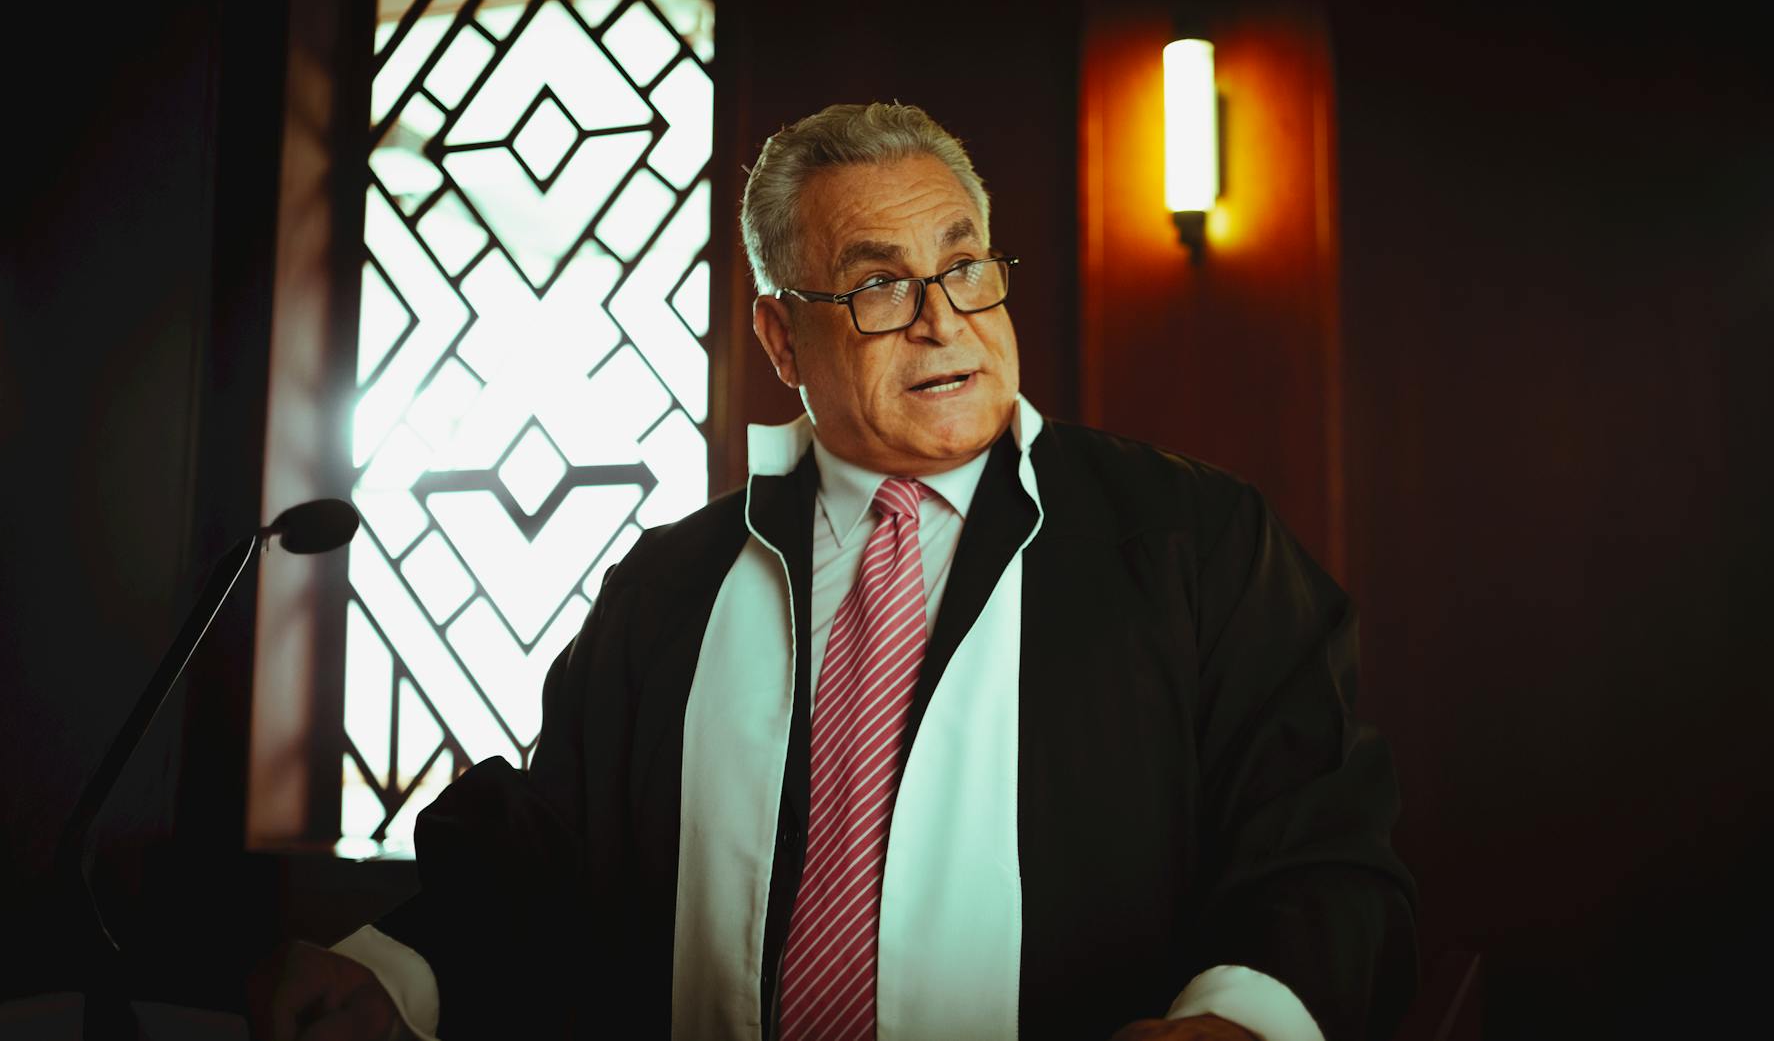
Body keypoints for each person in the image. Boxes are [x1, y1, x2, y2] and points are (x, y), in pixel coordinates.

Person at [249, 102, 1416, 1041]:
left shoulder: (1193, 542)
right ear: (778, 337)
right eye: (876, 284)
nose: (940, 321)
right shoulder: (670, 586)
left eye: (964, 265)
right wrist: (392, 971)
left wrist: (1235, 1021)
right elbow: (549, 855)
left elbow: (1318, 846)